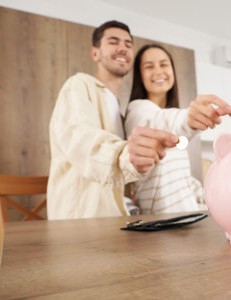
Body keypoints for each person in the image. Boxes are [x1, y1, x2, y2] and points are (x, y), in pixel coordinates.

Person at [47, 21, 179, 220]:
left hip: (116, 217)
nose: (122, 48)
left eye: (128, 44)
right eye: (113, 42)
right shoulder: (78, 86)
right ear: (95, 53)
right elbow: (80, 140)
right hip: (80, 219)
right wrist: (126, 156)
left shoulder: (119, 108)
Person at [124, 44, 231, 214]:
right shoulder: (137, 110)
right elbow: (162, 122)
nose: (158, 72)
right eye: (149, 66)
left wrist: (212, 196)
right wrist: (188, 118)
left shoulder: (171, 118)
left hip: (188, 218)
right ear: (140, 76)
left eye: (164, 64)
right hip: (160, 223)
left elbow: (183, 180)